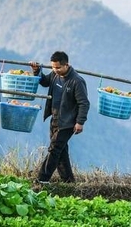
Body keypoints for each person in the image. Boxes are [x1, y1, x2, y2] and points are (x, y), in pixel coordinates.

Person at [30, 51, 90, 184]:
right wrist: (37, 71)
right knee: (61, 151)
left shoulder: (77, 81)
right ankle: (68, 181)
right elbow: (45, 82)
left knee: (54, 149)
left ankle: (42, 179)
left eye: (58, 67)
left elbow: (84, 103)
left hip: (67, 123)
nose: (55, 70)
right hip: (55, 119)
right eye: (53, 67)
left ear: (66, 65)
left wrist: (80, 122)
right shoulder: (54, 75)